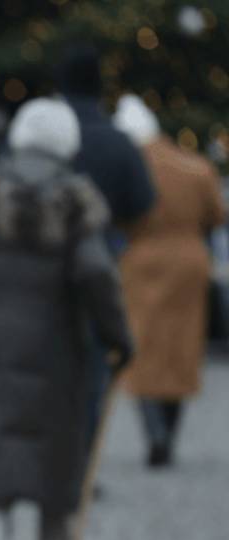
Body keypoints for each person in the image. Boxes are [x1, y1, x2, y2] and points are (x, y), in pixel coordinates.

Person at [0, 98, 132, 540]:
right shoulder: (75, 200)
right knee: (53, 496)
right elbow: (96, 271)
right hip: (53, 361)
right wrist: (119, 338)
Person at [54, 44, 155, 475]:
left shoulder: (40, 135)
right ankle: (80, 466)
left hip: (42, 267)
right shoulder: (117, 142)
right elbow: (143, 204)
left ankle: (55, 463)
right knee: (92, 374)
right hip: (100, 267)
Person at [112, 94, 227, 467]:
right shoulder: (194, 166)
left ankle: (156, 433)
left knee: (143, 345)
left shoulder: (131, 168)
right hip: (189, 261)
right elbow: (217, 214)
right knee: (181, 346)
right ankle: (169, 434)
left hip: (142, 259)